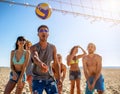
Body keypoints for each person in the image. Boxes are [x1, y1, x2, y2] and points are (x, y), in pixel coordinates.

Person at [29, 25, 61, 94]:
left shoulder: (53, 47)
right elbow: (35, 57)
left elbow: (56, 63)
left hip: (50, 78)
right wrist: (41, 64)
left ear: (48, 34)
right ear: (38, 34)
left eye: (45, 30)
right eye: (41, 31)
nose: (43, 32)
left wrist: (59, 78)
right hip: (37, 78)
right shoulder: (33, 47)